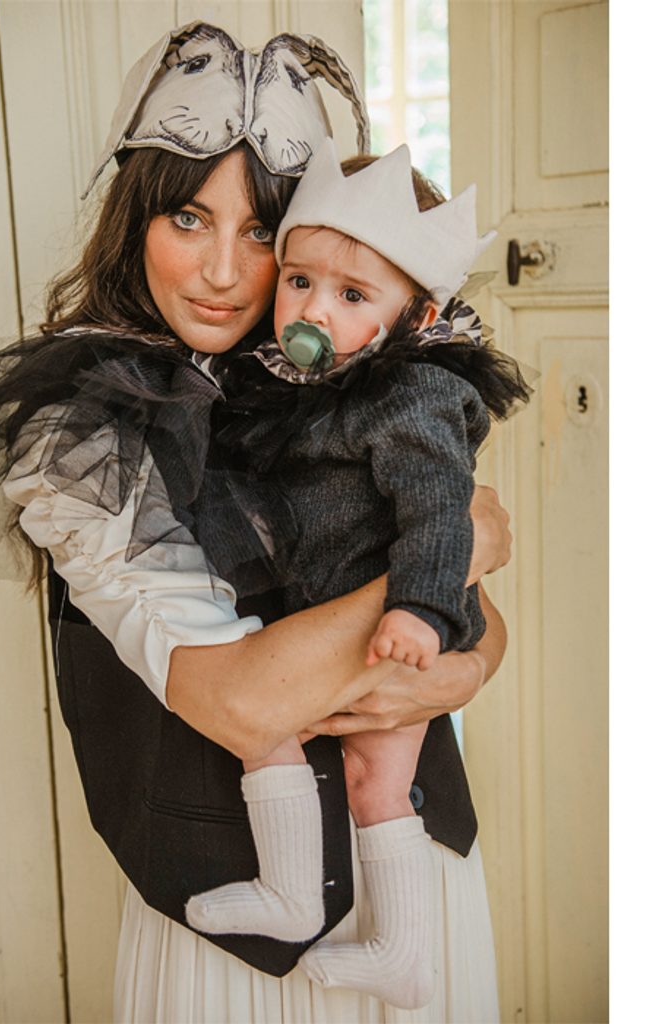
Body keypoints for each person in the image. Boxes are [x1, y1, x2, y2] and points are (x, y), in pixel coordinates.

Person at [0, 21, 510, 1023]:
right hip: (229, 933)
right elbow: (243, 703)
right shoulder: (81, 430)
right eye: (189, 218)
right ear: (135, 220)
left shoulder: (348, 370)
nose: (224, 273)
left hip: (412, 871)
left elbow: (477, 626)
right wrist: (468, 546)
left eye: (261, 233)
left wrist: (471, 665)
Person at [183, 140, 530, 1010]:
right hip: (320, 617)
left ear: (415, 316)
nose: (312, 309)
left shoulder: (410, 395)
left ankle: (403, 953)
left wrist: (418, 611)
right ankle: (292, 893)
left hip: (395, 623)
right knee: (264, 728)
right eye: (300, 281)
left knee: (379, 782)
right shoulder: (291, 380)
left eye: (351, 295)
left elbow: (440, 511)